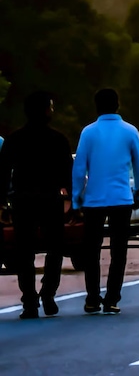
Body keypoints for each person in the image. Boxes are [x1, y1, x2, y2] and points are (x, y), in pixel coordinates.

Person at [72, 88, 139, 315]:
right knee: (119, 251)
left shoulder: (88, 132)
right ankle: (112, 298)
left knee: (91, 251)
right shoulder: (130, 131)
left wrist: (77, 198)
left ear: (96, 106)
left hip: (94, 200)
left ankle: (92, 298)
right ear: (118, 105)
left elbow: (79, 168)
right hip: (121, 199)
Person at [0, 91, 72, 318]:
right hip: (50, 199)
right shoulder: (58, 139)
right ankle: (48, 293)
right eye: (50, 107)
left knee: (24, 253)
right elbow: (68, 174)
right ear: (45, 110)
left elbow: (3, 173)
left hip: (23, 200)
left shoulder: (14, 139)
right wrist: (71, 201)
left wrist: (2, 202)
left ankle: (29, 301)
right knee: (55, 249)